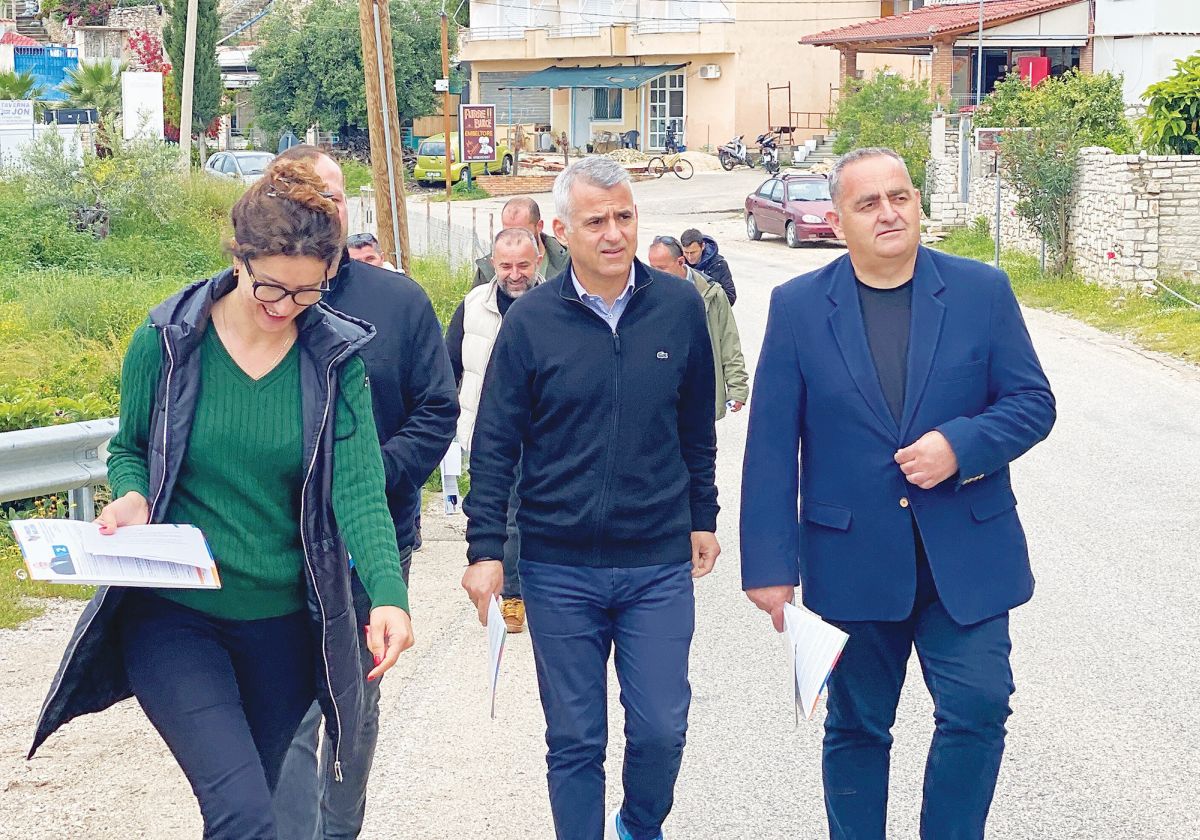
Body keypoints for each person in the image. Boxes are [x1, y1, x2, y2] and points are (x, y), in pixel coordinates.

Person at [28, 160, 415, 839]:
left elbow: (357, 490)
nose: (284, 307)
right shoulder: (168, 341)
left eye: (306, 292)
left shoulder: (335, 363)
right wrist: (133, 496)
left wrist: (388, 594)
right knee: (243, 813)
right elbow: (130, 448)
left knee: (251, 818)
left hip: (283, 630)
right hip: (175, 618)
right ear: (238, 256)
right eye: (270, 287)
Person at [740, 147, 1056, 840]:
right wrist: (769, 565)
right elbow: (771, 445)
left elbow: (1033, 403)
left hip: (965, 557)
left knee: (978, 708)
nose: (889, 212)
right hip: (851, 560)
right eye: (868, 203)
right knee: (857, 726)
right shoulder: (798, 307)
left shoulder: (981, 291)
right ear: (838, 220)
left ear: (917, 202)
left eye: (900, 197)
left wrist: (961, 446)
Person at [461, 156, 720, 840]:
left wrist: (703, 516)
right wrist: (485, 550)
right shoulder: (531, 321)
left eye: (624, 217)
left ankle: (639, 825)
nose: (614, 233)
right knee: (575, 738)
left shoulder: (679, 308)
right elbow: (495, 443)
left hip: (656, 561)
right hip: (559, 565)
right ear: (561, 231)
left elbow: (696, 426)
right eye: (596, 220)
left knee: (661, 728)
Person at [269, 147, 459, 840]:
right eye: (307, 194)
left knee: (350, 707)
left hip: (372, 542)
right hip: (277, 543)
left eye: (334, 195)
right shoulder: (254, 302)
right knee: (287, 707)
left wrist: (367, 477)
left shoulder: (398, 302)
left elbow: (437, 409)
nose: (325, 208)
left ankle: (338, 830)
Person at [446, 227, 543, 633]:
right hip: (484, 432)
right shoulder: (473, 306)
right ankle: (510, 592)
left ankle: (529, 590)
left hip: (539, 435)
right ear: (492, 264)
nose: (514, 274)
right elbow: (448, 366)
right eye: (506, 266)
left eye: (523, 265)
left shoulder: (554, 307)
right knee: (500, 512)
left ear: (538, 260)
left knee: (529, 513)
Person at [646, 234, 748, 420]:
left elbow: (729, 341)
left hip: (700, 393)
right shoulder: (645, 296)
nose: (654, 274)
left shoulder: (711, 293)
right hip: (662, 397)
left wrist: (737, 388)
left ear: (680, 262)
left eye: (661, 268)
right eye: (651, 267)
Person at [472, 195, 570, 288]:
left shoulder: (569, 263)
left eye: (522, 232)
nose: (514, 237)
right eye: (508, 232)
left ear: (539, 226)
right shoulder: (488, 269)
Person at [680, 228, 735, 306]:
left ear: (702, 246)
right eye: (686, 252)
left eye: (693, 252)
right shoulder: (678, 263)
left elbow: (730, 296)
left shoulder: (718, 264)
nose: (689, 257)